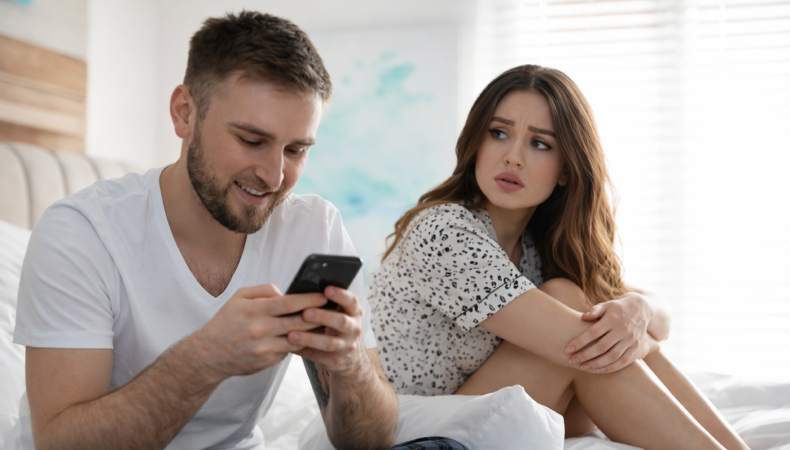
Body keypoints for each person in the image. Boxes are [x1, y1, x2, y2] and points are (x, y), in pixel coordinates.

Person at [13, 12, 400, 450]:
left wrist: (351, 366)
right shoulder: (82, 233)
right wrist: (206, 357)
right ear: (184, 114)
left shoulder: (315, 228)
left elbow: (372, 441)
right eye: (251, 141)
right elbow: (59, 443)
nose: (274, 176)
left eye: (296, 149)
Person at [369, 65, 750, 450]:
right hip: (415, 428)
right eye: (498, 133)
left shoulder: (534, 247)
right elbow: (591, 345)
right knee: (586, 336)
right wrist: (636, 333)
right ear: (476, 144)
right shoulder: (444, 232)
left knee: (570, 295)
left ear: (566, 169)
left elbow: (660, 317)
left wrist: (637, 309)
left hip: (473, 408)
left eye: (540, 144)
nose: (513, 157)